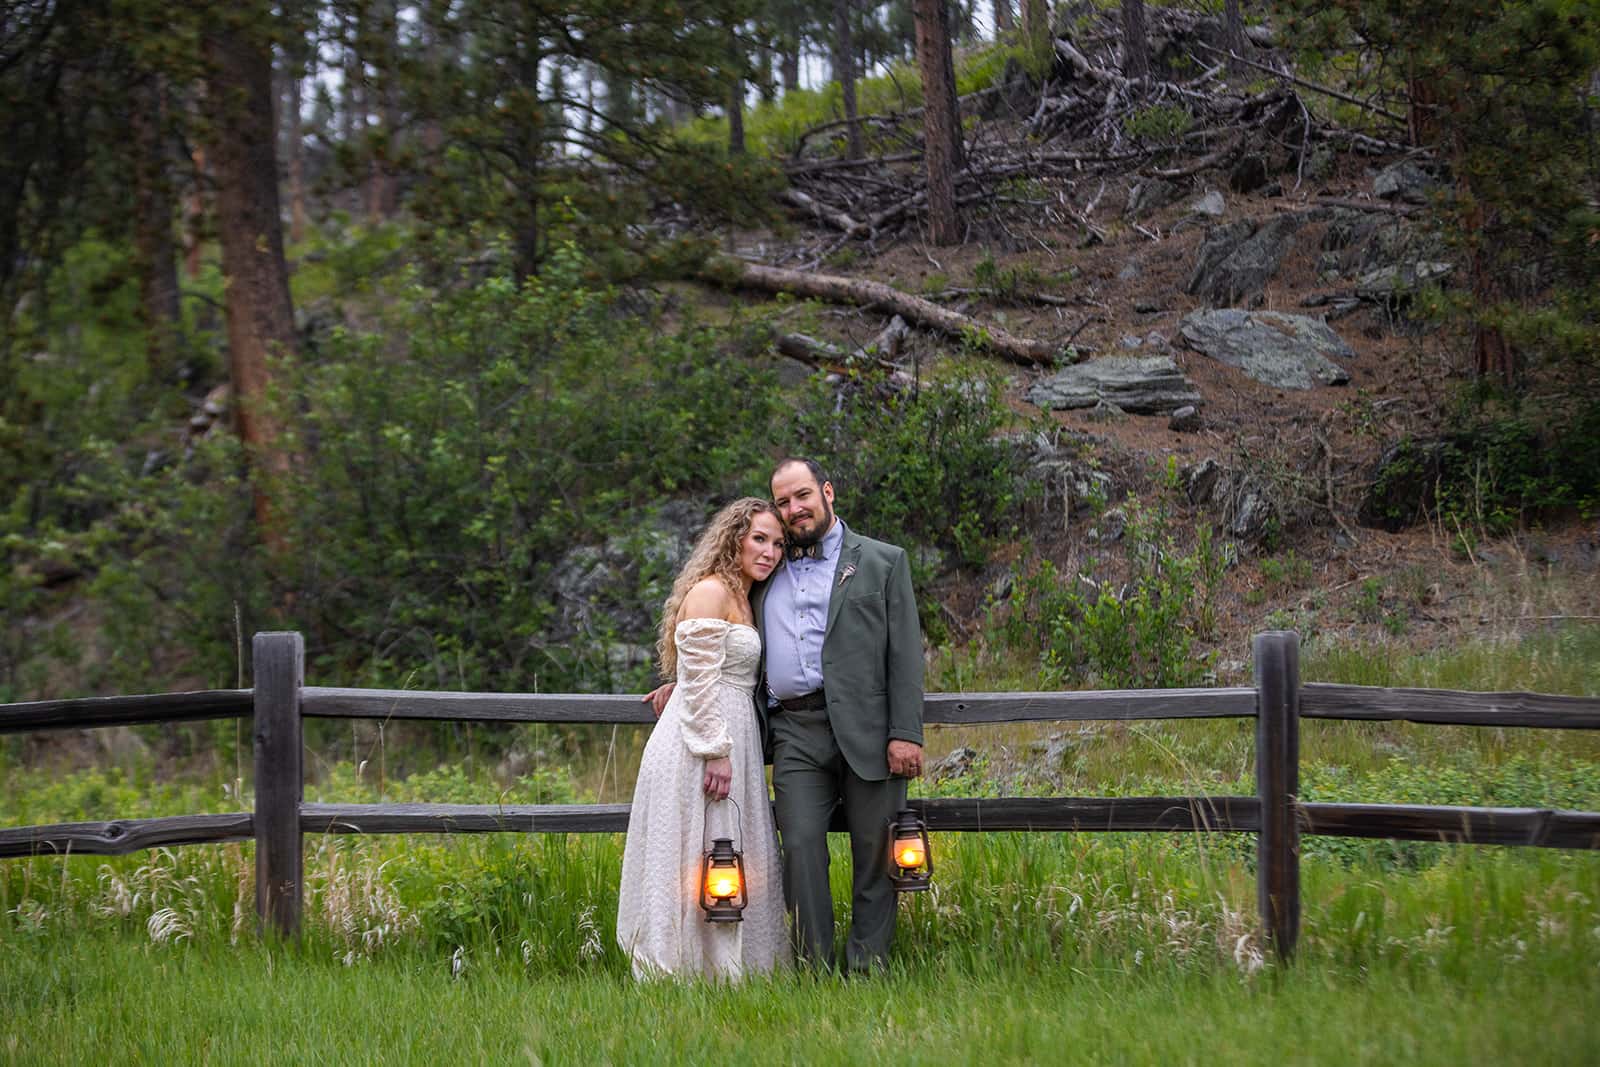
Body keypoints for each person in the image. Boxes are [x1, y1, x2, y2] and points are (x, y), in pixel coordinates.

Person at [648, 459, 925, 973]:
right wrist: (683, 684)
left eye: (803, 496)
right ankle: (815, 968)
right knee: (796, 850)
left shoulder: (883, 562)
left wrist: (905, 733)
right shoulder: (763, 570)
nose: (794, 509)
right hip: (793, 730)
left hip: (869, 728)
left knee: (876, 851)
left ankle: (867, 967)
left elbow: (905, 654)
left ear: (827, 491)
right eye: (783, 501)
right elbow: (723, 635)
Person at [616, 498, 791, 980]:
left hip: (734, 737)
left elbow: (710, 670)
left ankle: (733, 966)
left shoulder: (745, 597)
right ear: (734, 538)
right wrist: (714, 750)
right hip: (703, 743)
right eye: (759, 538)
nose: (770, 551)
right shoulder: (712, 592)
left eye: (777, 543)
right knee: (695, 849)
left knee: (728, 848)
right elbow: (697, 680)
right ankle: (681, 965)